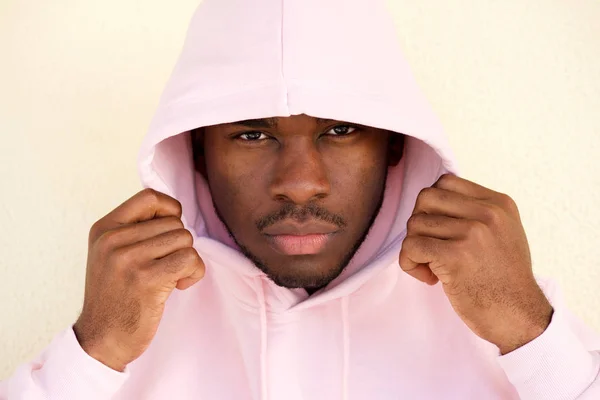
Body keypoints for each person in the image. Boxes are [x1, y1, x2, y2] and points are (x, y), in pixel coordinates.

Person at [2, 0, 599, 399]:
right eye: (251, 134)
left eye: (341, 130)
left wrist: (531, 333)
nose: (300, 182)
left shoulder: (501, 308)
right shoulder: (125, 327)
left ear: (395, 144)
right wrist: (91, 354)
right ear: (196, 153)